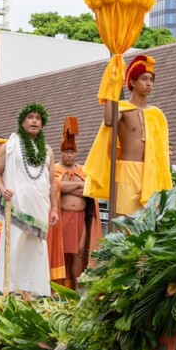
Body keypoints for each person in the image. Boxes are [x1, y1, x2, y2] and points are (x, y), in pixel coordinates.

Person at [84, 54, 172, 217]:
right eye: (144, 79)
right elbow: (109, 121)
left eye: (151, 80)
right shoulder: (123, 108)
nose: (149, 83)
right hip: (127, 171)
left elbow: (163, 151)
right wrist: (112, 85)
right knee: (123, 223)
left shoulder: (157, 114)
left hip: (151, 173)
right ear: (132, 82)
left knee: (148, 224)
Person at [0, 103, 60, 300]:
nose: (34, 121)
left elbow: (52, 181)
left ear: (42, 124)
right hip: (16, 205)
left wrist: (55, 208)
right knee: (15, 244)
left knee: (35, 247)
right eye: (30, 117)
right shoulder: (10, 146)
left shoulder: (47, 151)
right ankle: (12, 289)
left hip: (39, 205)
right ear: (22, 122)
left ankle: (30, 290)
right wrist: (3, 189)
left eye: (38, 118)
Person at [52, 117, 101, 289]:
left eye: (72, 152)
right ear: (61, 153)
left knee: (79, 253)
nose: (69, 155)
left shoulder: (83, 171)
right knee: (62, 253)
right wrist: (77, 186)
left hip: (81, 218)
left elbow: (88, 191)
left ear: (76, 153)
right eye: (66, 152)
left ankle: (77, 287)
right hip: (62, 217)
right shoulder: (55, 169)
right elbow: (56, 187)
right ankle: (60, 288)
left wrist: (70, 187)